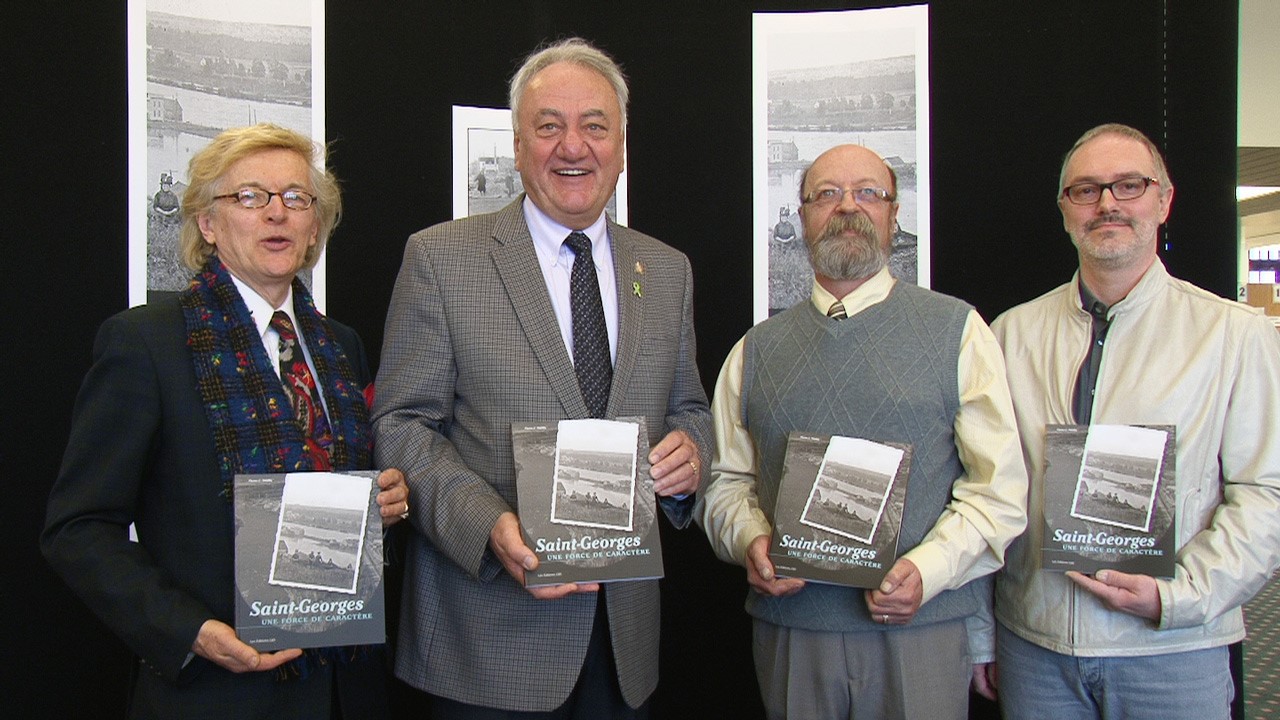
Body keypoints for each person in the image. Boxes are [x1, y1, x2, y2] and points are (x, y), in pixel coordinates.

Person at [372, 38, 712, 718]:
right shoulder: (441, 259)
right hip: (485, 643)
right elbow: (402, 426)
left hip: (623, 646)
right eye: (549, 126)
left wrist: (693, 453)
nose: (573, 147)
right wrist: (490, 525)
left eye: (594, 125)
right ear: (519, 144)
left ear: (621, 143)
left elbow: (690, 408)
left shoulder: (666, 269)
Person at [41, 123, 409, 720]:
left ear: (314, 225)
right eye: (250, 196)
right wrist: (189, 631)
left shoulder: (341, 346)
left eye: (296, 198)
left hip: (342, 688)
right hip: (216, 692)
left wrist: (383, 503)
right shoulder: (145, 344)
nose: (276, 214)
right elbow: (79, 529)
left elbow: (335, 503)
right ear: (207, 224)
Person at [698, 143, 1028, 719]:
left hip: (919, 630)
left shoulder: (960, 331)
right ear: (801, 216)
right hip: (793, 632)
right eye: (826, 194)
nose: (847, 207)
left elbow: (999, 490)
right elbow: (725, 483)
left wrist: (928, 572)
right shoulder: (755, 351)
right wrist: (749, 539)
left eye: (868, 193)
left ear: (893, 214)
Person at [986, 123, 1280, 719]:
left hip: (1172, 649)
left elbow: (1265, 491)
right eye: (1086, 190)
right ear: (1066, 210)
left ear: (1164, 200)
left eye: (1129, 185)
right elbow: (983, 490)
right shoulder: (1009, 334)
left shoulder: (1234, 335)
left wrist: (1181, 597)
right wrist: (978, 634)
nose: (1107, 205)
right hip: (1035, 651)